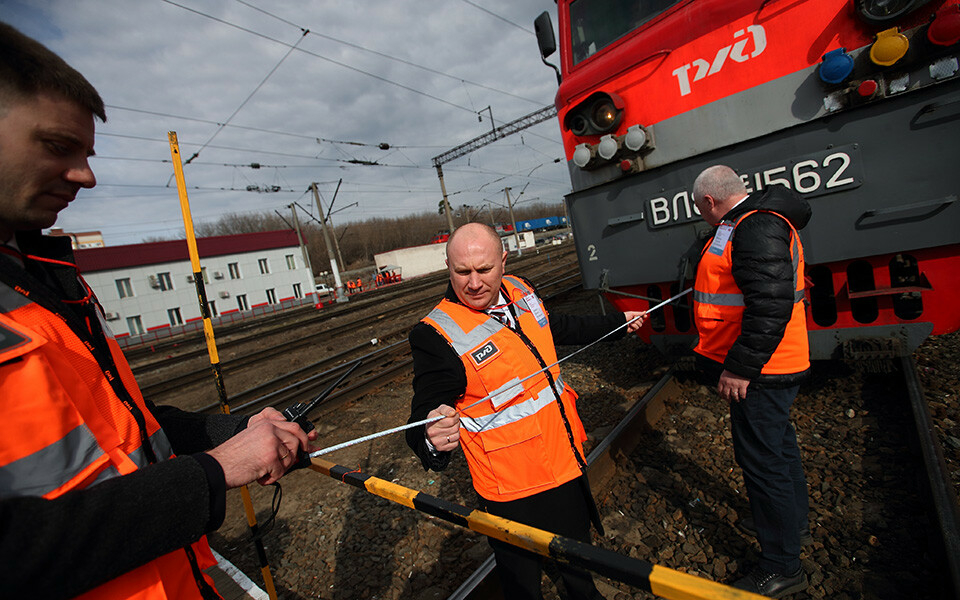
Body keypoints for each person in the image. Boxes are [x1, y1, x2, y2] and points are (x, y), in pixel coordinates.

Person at [0, 22, 315, 599]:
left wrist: (236, 431)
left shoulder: (41, 279)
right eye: (57, 146)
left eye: (88, 154)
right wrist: (214, 471)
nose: (86, 176)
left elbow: (122, 432)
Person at [405, 223, 644, 600]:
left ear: (504, 261)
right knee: (522, 582)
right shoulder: (436, 334)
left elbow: (556, 327)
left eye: (484, 269)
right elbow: (426, 405)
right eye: (462, 272)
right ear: (447, 267)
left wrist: (618, 323)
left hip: (563, 462)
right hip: (512, 490)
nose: (474, 283)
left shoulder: (521, 289)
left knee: (578, 562)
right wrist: (430, 436)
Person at [690, 165, 812, 598]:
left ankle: (782, 565)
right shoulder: (746, 222)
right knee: (778, 447)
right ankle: (793, 523)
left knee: (762, 463)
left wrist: (740, 368)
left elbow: (770, 303)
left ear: (709, 201)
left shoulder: (754, 226)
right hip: (771, 364)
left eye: (699, 208)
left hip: (763, 370)